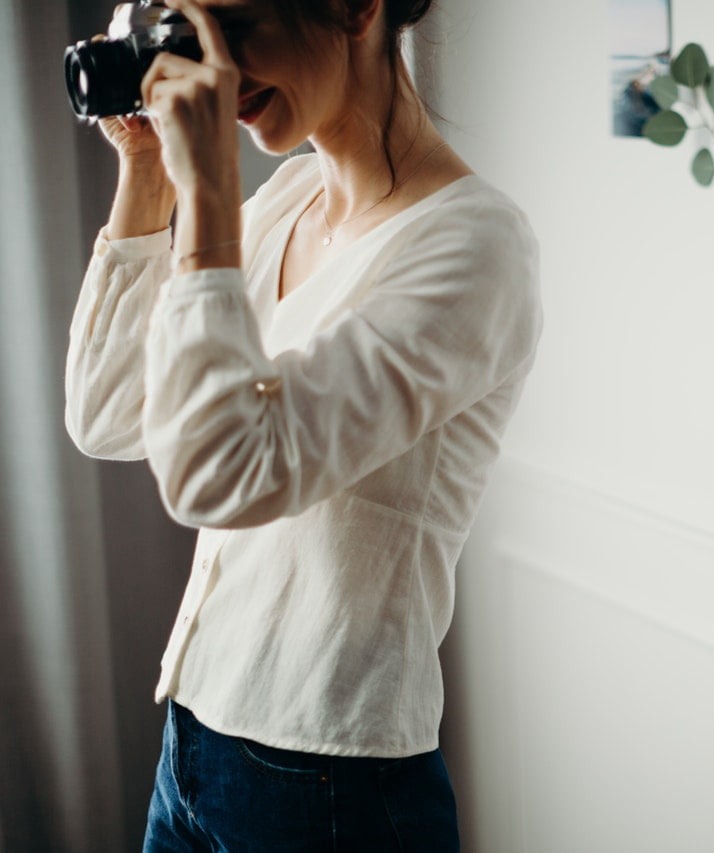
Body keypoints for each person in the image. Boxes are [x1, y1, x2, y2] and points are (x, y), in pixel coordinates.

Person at [63, 0, 541, 848]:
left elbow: (223, 475)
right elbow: (109, 414)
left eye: (236, 27)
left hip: (331, 787)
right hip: (193, 737)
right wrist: (149, 170)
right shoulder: (288, 200)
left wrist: (209, 192)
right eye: (191, 34)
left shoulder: (475, 245)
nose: (218, 69)